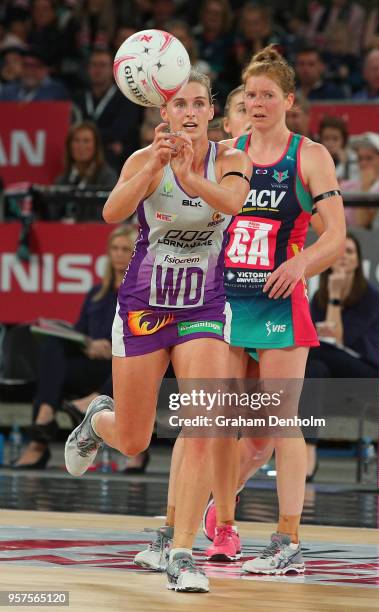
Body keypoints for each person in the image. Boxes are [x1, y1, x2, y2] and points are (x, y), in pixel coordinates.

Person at [138, 46, 345, 574]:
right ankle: (195, 529)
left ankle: (287, 541)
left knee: (279, 423)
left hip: (277, 297)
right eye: (249, 94)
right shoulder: (227, 153)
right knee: (209, 421)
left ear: (288, 101)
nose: (256, 102)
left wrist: (302, 267)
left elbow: (336, 239)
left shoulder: (310, 155)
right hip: (224, 297)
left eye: (267, 95)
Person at [64, 70, 252, 594]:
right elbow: (111, 212)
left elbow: (232, 204)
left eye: (198, 103)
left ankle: (184, 551)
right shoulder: (144, 159)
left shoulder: (231, 159)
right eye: (178, 105)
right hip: (145, 306)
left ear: (210, 111)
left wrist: (189, 174)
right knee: (134, 437)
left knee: (202, 420)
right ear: (163, 113)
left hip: (205, 307)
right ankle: (99, 421)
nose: (189, 112)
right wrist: (154, 166)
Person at [13, 224, 136, 469]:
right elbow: (80, 332)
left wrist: (109, 347)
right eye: (114, 248)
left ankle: (93, 402)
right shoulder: (95, 294)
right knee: (53, 347)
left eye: (125, 249)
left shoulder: (140, 292)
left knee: (129, 361)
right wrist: (88, 345)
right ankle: (45, 417)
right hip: (92, 364)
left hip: (119, 369)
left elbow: (143, 337)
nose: (119, 254)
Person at [300, 232, 379, 479]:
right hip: (329, 372)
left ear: (358, 261)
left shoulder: (371, 297)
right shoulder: (319, 296)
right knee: (314, 369)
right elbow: (319, 336)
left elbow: (336, 340)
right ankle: (309, 452)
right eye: (341, 251)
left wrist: (335, 298)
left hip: (364, 373)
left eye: (350, 252)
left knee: (313, 351)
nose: (345, 257)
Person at [51, 121, 117, 221]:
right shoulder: (61, 180)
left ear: (95, 146)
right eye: (76, 141)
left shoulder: (107, 177)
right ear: (70, 146)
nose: (81, 146)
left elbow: (109, 214)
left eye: (86, 141)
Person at [341, 132, 379, 228]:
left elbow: (361, 224)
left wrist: (365, 187)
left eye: (369, 158)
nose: (363, 163)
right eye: (360, 158)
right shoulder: (347, 185)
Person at [318, 115, 358, 181]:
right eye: (326, 138)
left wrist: (343, 163)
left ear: (343, 141)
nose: (330, 143)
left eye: (335, 139)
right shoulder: (314, 159)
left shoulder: (352, 158)